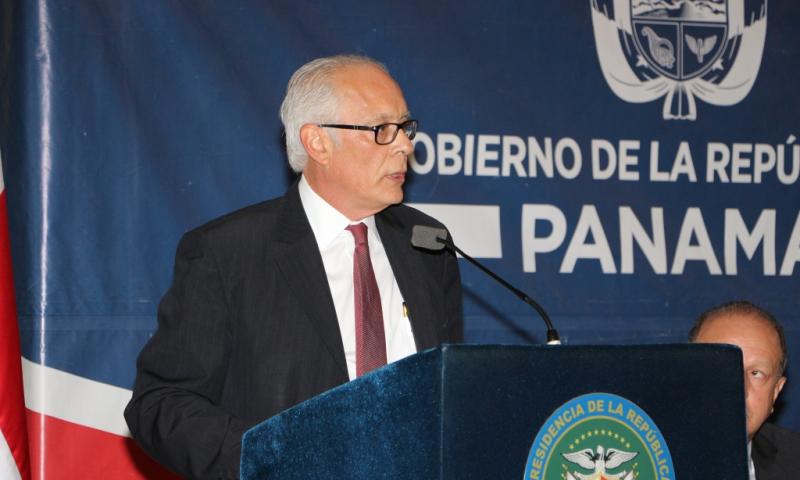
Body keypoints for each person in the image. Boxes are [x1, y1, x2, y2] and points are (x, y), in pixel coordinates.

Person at [124, 55, 463, 479]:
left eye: (405, 127)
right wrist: (269, 460)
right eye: (382, 130)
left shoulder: (426, 244)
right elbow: (160, 403)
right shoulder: (227, 253)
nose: (405, 146)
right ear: (317, 142)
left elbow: (448, 394)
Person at [689, 300, 800, 479]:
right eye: (721, 368)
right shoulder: (646, 456)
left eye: (756, 373)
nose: (740, 389)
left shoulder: (794, 461)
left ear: (775, 392)